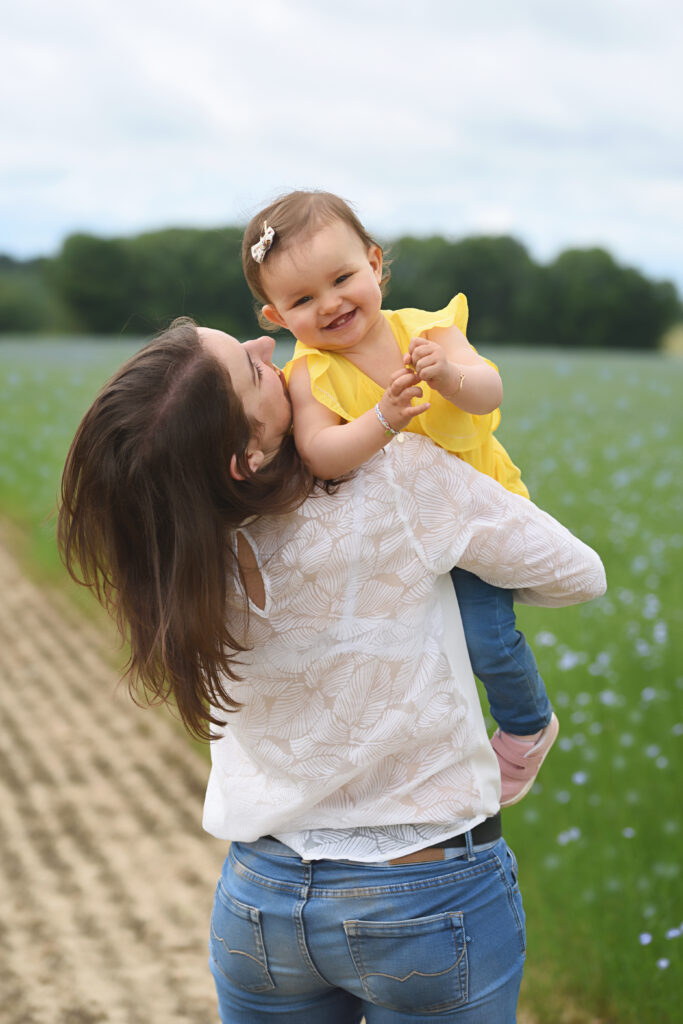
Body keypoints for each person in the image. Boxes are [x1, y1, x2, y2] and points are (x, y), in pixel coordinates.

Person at [58, 318, 606, 1022]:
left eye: (245, 342)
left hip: (261, 906)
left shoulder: (173, 564)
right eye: (252, 371)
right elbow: (577, 576)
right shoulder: (398, 475)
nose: (271, 349)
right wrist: (455, 562)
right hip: (429, 898)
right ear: (245, 458)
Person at [242, 190, 558, 806]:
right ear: (277, 318)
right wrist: (381, 420)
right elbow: (318, 451)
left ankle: (528, 725)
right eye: (303, 299)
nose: (330, 304)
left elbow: (488, 393)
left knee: (485, 638)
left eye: (342, 278)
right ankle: (421, 768)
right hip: (396, 544)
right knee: (415, 660)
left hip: (475, 523)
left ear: (374, 262)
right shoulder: (309, 375)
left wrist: (450, 377)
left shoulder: (427, 330)